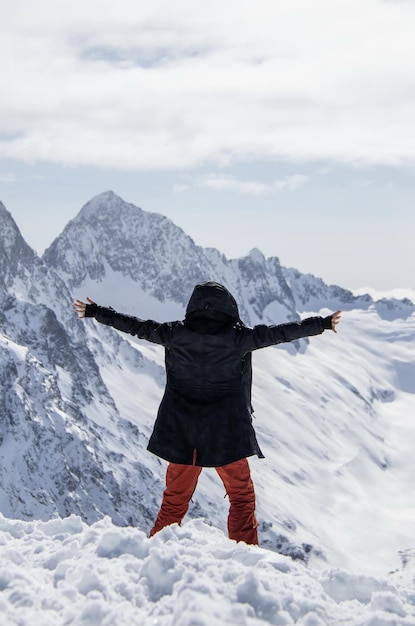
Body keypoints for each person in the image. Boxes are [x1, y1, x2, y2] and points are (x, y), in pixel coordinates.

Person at [73, 281, 341, 545]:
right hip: (226, 437)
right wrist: (323, 323)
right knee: (242, 499)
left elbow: (136, 327)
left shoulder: (175, 334)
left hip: (182, 435)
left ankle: (156, 552)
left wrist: (98, 312)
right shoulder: (238, 338)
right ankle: (246, 556)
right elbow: (281, 333)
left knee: (174, 503)